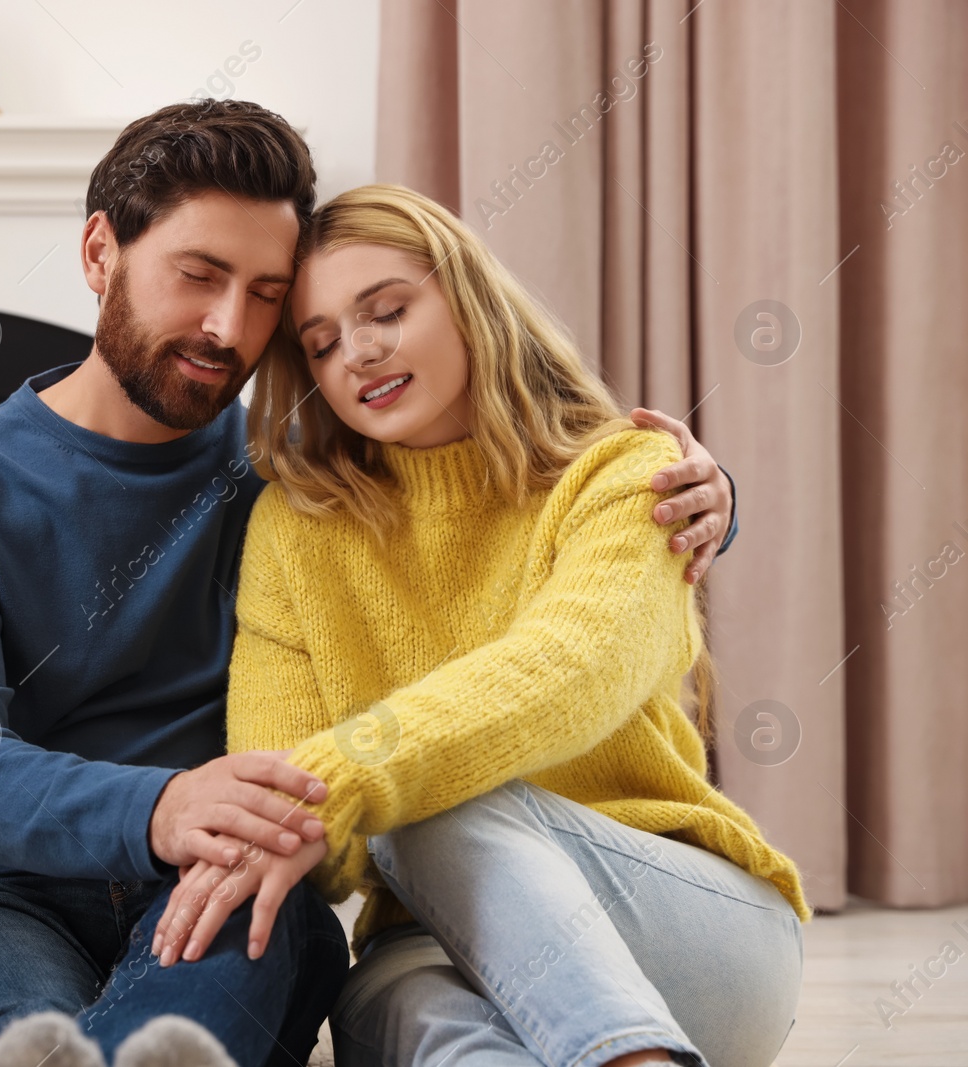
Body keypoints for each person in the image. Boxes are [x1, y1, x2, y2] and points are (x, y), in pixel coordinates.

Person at [0, 100, 742, 1067]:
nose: (228, 327)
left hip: (239, 870)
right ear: (100, 252)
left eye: (266, 294)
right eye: (198, 276)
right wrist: (159, 807)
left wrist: (704, 498)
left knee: (237, 965)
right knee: (5, 1024)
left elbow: (487, 527)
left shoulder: (295, 488)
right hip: (2, 882)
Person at [151, 183, 808, 1067]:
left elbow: (575, 667)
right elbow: (302, 820)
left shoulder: (627, 475)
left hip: (685, 929)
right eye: (324, 342)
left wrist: (355, 774)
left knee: (427, 801)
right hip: (434, 947)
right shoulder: (296, 530)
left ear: (465, 298)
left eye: (387, 309)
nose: (361, 352)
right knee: (409, 1011)